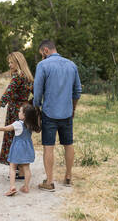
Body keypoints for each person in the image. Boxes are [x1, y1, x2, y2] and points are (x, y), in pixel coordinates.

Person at [33, 40, 82, 192]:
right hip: (66, 112)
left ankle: (49, 181)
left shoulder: (43, 66)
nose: (42, 57)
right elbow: (77, 91)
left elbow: (38, 91)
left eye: (42, 54)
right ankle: (68, 177)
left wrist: (37, 108)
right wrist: (72, 109)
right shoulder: (72, 65)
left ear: (45, 50)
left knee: (49, 146)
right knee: (68, 144)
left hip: (49, 112)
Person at [0, 52, 33, 178]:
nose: (9, 65)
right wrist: (27, 104)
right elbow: (36, 93)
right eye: (9, 62)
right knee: (21, 137)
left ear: (18, 62)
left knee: (14, 138)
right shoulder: (28, 77)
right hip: (24, 111)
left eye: (11, 62)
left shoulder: (18, 76)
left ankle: (19, 170)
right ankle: (21, 168)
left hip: (15, 111)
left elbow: (8, 93)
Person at [0, 103, 40, 196]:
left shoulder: (18, 124)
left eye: (20, 111)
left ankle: (12, 187)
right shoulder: (30, 124)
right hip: (27, 148)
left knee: (13, 167)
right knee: (26, 168)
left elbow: (4, 128)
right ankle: (26, 186)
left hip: (18, 148)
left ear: (24, 115)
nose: (18, 113)